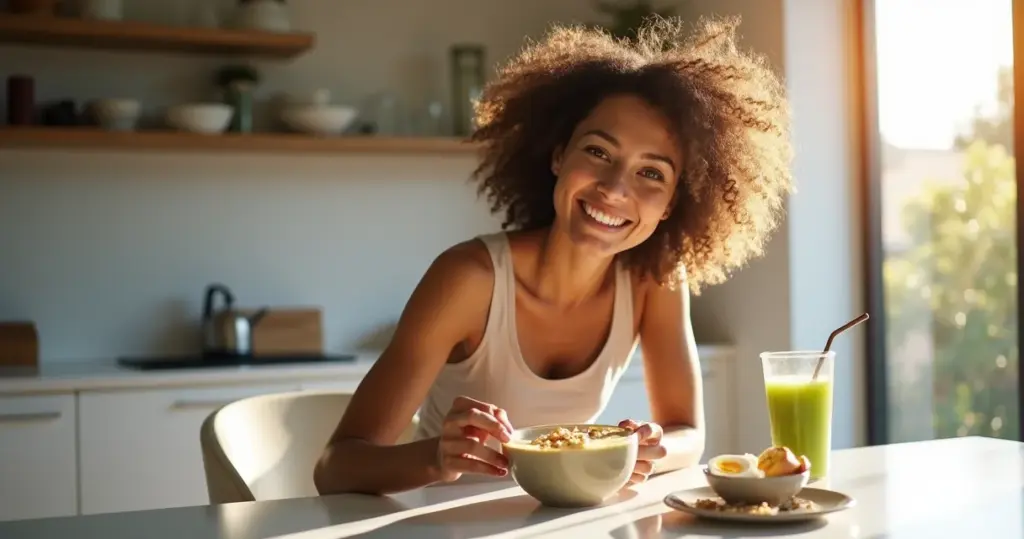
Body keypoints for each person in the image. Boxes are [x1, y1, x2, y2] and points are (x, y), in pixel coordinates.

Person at [314, 15, 792, 496]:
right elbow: (337, 466)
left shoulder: (656, 277)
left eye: (652, 174)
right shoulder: (469, 280)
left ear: (671, 205)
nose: (614, 190)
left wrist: (648, 446)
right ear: (559, 156)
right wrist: (437, 457)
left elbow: (688, 432)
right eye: (599, 153)